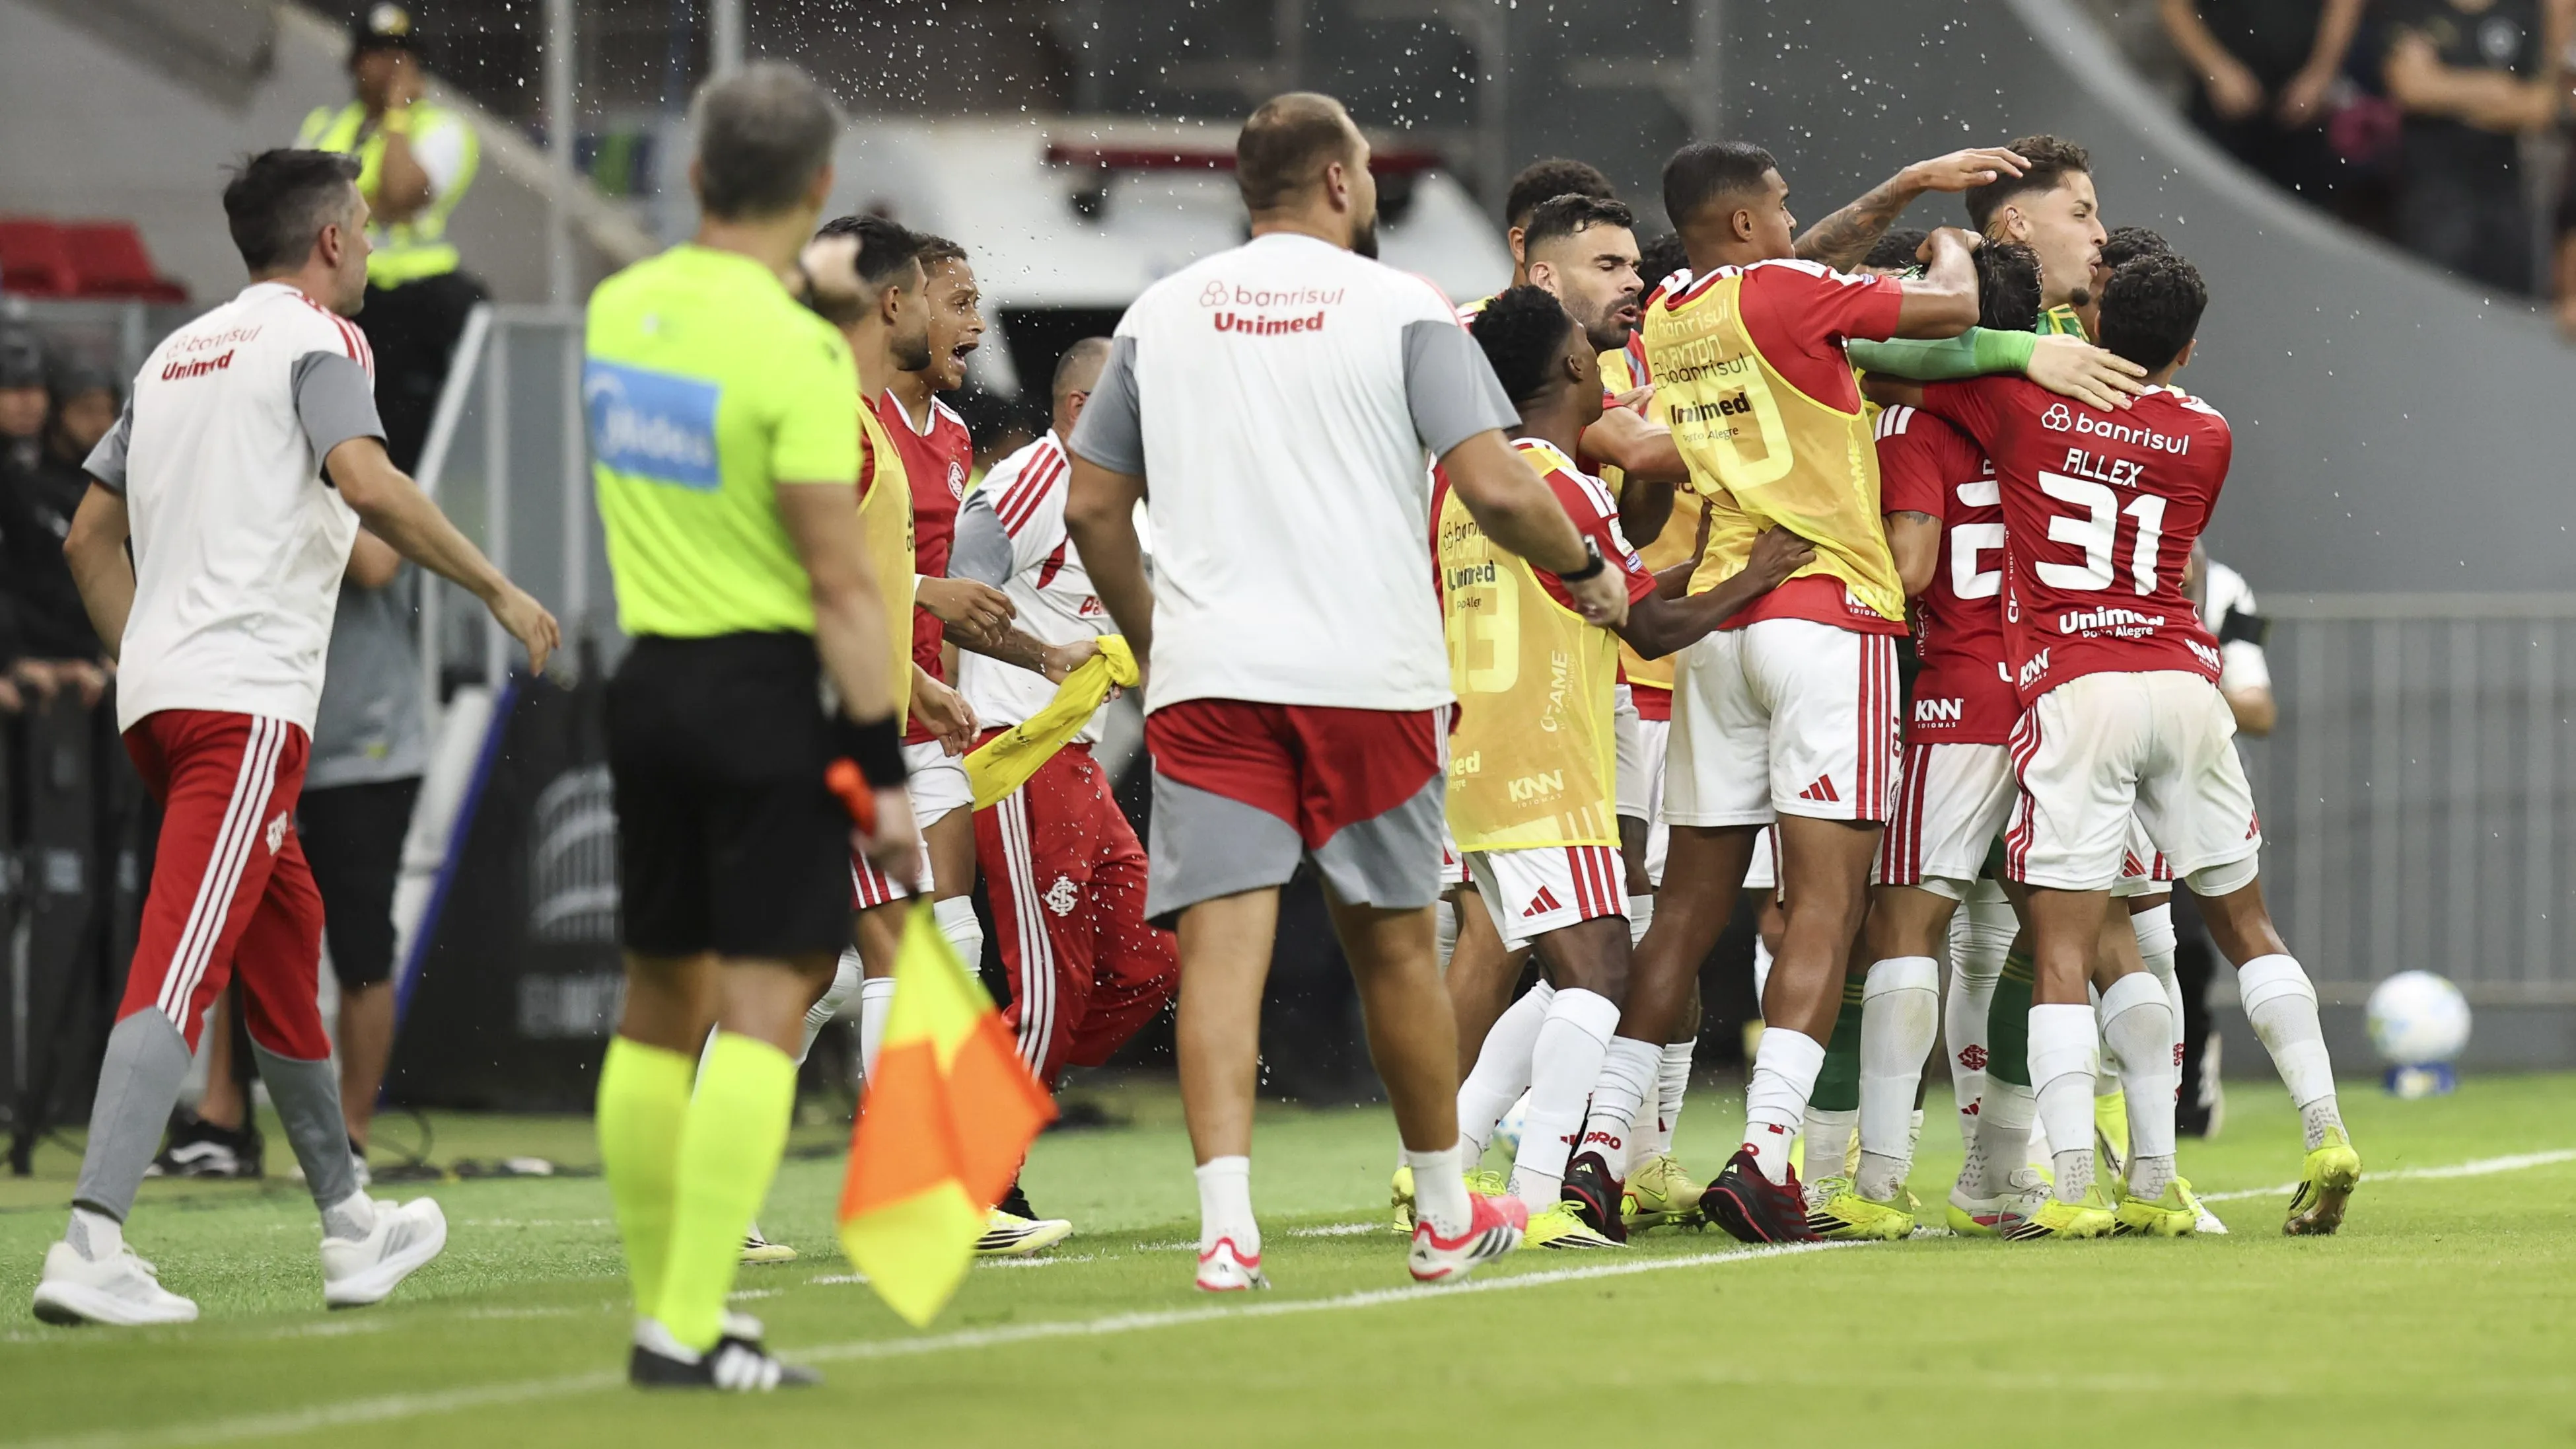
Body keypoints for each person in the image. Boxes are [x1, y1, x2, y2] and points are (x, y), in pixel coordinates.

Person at [1062, 91, 1629, 1292]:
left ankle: (1226, 1229)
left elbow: (1093, 510)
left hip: (1213, 682)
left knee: (1225, 958)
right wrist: (1585, 571)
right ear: (1337, 182)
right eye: (1365, 169)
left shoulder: (1160, 315)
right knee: (1391, 954)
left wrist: (1164, 640)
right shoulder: (1402, 304)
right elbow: (1502, 487)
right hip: (1365, 677)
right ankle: (1440, 1209)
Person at [32, 147, 557, 1327]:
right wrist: (498, 589)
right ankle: (90, 1241)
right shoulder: (322, 341)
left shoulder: (171, 353)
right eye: (365, 228)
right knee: (181, 964)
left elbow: (84, 540)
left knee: (286, 949)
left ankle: (350, 1221)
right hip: (243, 704)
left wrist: (146, 659)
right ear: (329, 244)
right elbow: (366, 482)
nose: (370, 245)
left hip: (167, 700)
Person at [1904, 252, 2360, 1238]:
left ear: (2095, 321)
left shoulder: (2022, 405)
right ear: (2191, 345)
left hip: (2080, 686)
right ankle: (2323, 1129)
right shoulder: (2209, 432)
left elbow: (1897, 366)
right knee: (2246, 927)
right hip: (2184, 683)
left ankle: (2072, 1186)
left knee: (2063, 948)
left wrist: (2023, 351)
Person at [583, 63, 918, 1389]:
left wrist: (804, 297)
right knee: (769, 1004)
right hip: (766, 693)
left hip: (648, 679)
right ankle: (687, 1318)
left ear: (696, 175)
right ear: (821, 190)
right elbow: (840, 584)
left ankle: (667, 1304)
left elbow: (712, 327)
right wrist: (881, 772)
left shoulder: (620, 305)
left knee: (656, 1001)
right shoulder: (795, 352)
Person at [1619, 139, 1984, 1247]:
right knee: (1826, 905)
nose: (1794, 218)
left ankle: (1596, 1154)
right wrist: (1952, 236)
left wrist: (1903, 180)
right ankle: (1766, 1156)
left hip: (1723, 624)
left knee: (1685, 909)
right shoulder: (1782, 291)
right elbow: (1954, 309)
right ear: (1740, 223)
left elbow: (1793, 265)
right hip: (1828, 612)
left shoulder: (1673, 310)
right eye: (1779, 204)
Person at [1439, 286, 1812, 1249]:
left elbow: (1613, 588)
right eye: (1586, 348)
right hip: (1541, 763)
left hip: (1477, 757)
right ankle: (1538, 1196)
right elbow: (1643, 624)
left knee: (1572, 979)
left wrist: (1703, 573)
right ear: (1572, 368)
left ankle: (1450, 1157)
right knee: (1604, 972)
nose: (1601, 357)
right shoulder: (1558, 485)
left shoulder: (1468, 483)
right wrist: (1757, 577)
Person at [950, 336, 1179, 1181]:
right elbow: (954, 602)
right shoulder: (1027, 485)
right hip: (1016, 757)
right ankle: (979, 1175)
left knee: (1150, 961)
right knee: (1051, 989)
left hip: (1076, 764)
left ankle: (978, 1079)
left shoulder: (1120, 503)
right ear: (1084, 411)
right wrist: (1041, 655)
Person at [294, 3, 485, 470]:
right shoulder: (325, 126)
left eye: (404, 55)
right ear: (356, 61)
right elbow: (295, 209)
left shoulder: (444, 130)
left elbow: (401, 195)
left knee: (402, 434)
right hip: (343, 298)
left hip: (414, 301)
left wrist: (397, 118)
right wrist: (367, 202)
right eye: (378, 53)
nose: (392, 66)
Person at [2379, 0, 2563, 294]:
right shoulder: (2418, 8)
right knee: (2431, 303)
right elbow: (2409, 88)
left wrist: (2444, 89)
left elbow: (2543, 108)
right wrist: (2494, 87)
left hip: (2505, 197)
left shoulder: (2524, 11)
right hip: (2430, 193)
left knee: (2507, 309)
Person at [2160, 0, 2367, 201]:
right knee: (2193, 203)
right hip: (2216, 106)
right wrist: (2215, 69)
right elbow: (2174, 6)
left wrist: (2320, 76)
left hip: (2301, 114)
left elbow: (2345, 5)